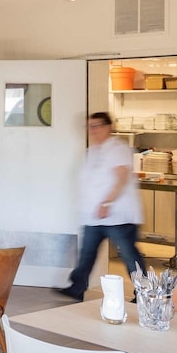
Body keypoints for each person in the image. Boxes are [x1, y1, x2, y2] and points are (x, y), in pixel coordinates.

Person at [60, 111, 144, 300]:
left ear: (109, 127)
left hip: (118, 215)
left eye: (97, 125)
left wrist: (107, 202)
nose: (93, 130)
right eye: (90, 126)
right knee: (87, 254)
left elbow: (121, 177)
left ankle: (144, 292)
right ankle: (76, 288)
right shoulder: (92, 151)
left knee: (129, 255)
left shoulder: (117, 148)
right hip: (94, 216)